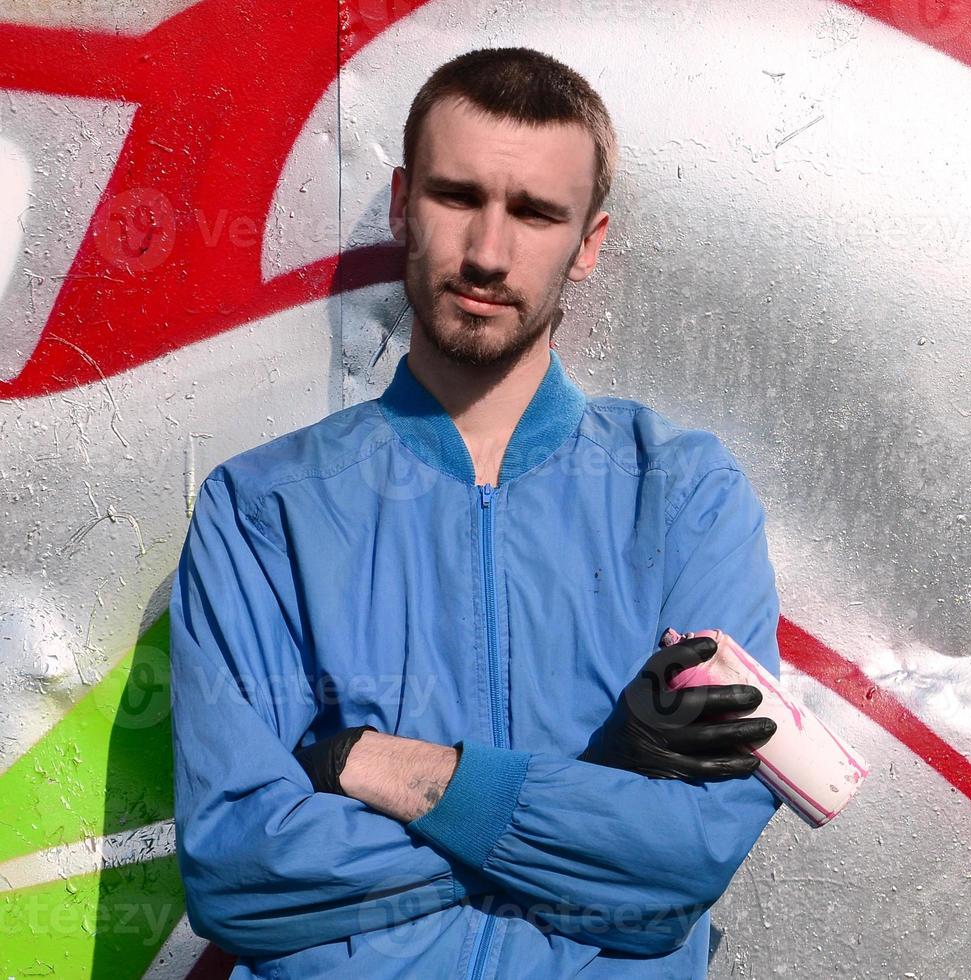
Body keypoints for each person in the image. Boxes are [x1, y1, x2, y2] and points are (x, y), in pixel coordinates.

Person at [169, 47, 782, 978]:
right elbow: (238, 866)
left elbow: (688, 855)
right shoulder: (262, 512)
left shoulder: (685, 496)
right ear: (401, 203)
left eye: (536, 213)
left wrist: (384, 769)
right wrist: (597, 797)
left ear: (589, 241)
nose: (489, 254)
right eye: (458, 198)